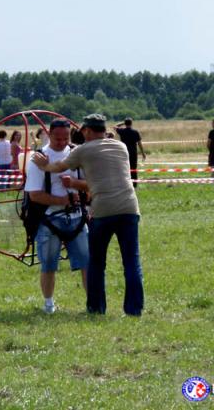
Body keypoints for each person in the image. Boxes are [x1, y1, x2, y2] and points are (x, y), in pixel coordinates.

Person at [34, 113, 144, 316]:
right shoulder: (121, 147)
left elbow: (58, 167)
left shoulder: (83, 151)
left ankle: (96, 308)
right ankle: (134, 310)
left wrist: (43, 165)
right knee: (131, 261)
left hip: (103, 210)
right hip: (129, 207)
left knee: (96, 262)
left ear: (88, 130)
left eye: (82, 131)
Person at [25, 118, 89, 314]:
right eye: (57, 138)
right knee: (49, 265)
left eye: (65, 138)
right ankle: (48, 304)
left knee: (88, 263)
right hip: (49, 220)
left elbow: (91, 184)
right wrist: (63, 201)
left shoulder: (78, 154)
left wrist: (76, 187)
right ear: (48, 134)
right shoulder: (38, 159)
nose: (61, 142)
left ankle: (92, 302)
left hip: (77, 218)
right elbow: (35, 195)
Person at [114, 117, 146, 188]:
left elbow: (115, 126)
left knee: (125, 168)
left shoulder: (122, 131)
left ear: (125, 123)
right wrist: (143, 153)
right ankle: (134, 184)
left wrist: (122, 123)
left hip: (124, 153)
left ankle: (126, 183)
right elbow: (139, 143)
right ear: (131, 123)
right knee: (133, 168)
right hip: (133, 153)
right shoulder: (135, 132)